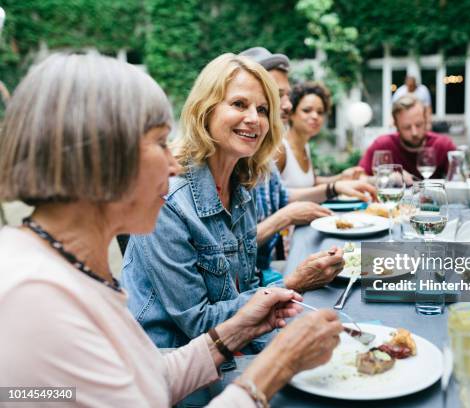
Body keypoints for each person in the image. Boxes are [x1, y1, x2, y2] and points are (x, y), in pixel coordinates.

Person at [0, 52, 342, 407]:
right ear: (101, 154)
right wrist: (271, 371)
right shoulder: (33, 294)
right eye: (160, 142)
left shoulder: (71, 268)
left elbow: (145, 376)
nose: (173, 163)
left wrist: (239, 330)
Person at [121, 54, 345, 352]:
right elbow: (199, 324)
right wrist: (291, 284)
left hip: (234, 345)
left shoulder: (241, 188)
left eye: (263, 109)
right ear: (205, 110)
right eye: (239, 104)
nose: (254, 118)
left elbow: (245, 288)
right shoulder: (168, 200)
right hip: (174, 366)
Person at [239, 47, 376, 283]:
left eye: (286, 95)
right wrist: (286, 217)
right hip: (256, 278)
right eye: (276, 94)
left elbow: (283, 196)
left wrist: (336, 185)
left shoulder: (262, 156)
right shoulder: (259, 154)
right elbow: (230, 248)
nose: (287, 105)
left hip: (262, 271)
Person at [276, 81, 366, 188]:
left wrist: (341, 177)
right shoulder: (280, 150)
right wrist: (335, 188)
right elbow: (273, 197)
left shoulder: (305, 146)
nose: (315, 116)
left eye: (320, 112)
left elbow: (311, 183)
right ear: (291, 114)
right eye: (307, 110)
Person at [359, 94, 456, 180]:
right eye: (407, 127)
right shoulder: (382, 145)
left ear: (426, 120)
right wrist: (387, 178)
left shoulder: (443, 145)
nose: (414, 132)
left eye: (418, 125)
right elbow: (359, 177)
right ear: (396, 125)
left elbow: (459, 179)